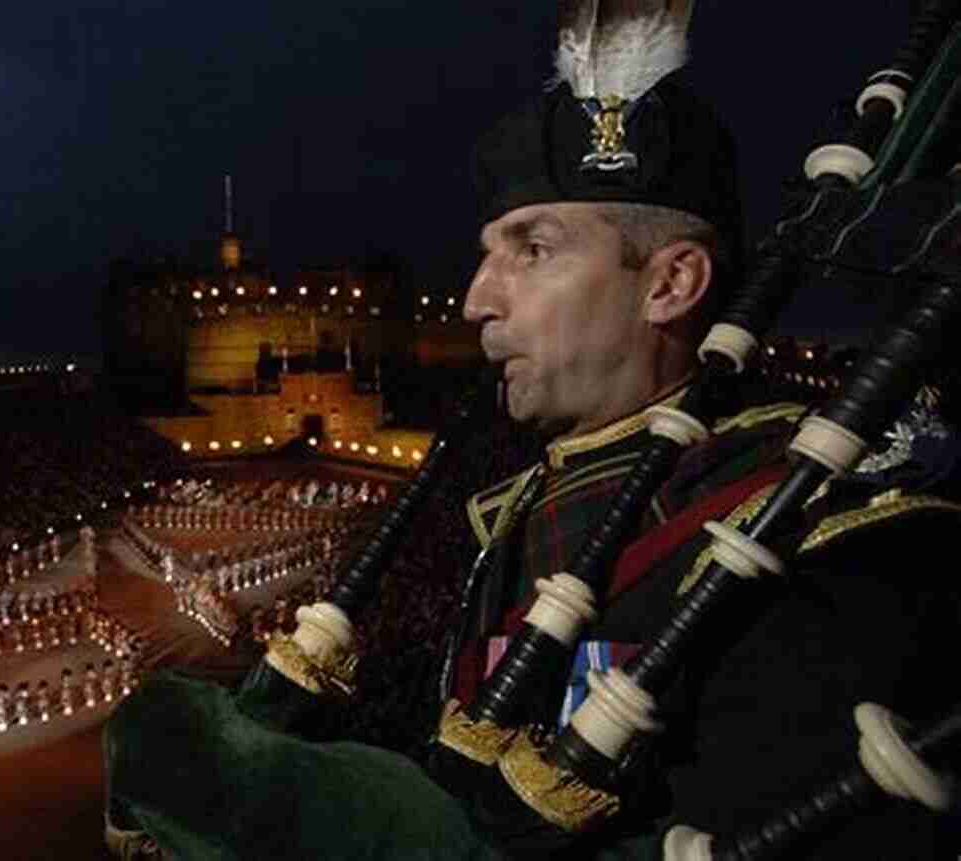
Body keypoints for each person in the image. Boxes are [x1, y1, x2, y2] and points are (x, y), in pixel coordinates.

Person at [101, 6, 961, 859]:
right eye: (488, 252)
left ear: (670, 285)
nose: (477, 298)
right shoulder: (521, 511)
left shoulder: (825, 536)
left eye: (532, 248)